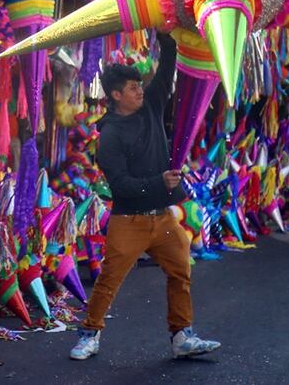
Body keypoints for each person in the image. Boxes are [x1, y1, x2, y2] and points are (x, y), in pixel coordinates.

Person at [69, 32, 220, 361]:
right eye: (133, 87)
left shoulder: (151, 104)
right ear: (116, 95)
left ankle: (182, 335)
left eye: (140, 85)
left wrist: (164, 29)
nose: (140, 90)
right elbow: (120, 185)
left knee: (181, 272)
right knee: (109, 280)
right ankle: (89, 334)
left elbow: (167, 68)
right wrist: (159, 182)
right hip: (129, 220)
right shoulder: (108, 135)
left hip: (163, 218)